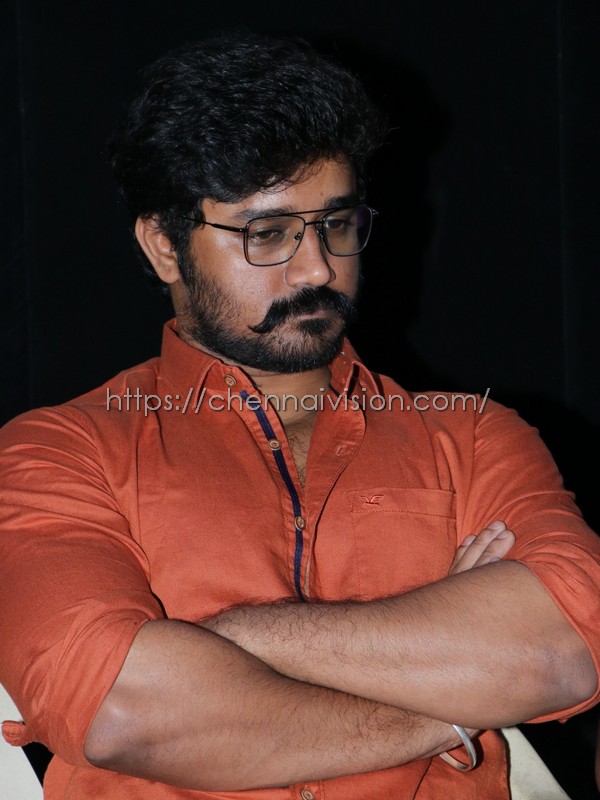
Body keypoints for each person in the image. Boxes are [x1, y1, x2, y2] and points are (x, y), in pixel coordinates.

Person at [1, 31, 599, 800]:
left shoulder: (472, 435)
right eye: (269, 234)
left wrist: (235, 639)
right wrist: (456, 703)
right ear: (163, 247)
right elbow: (127, 714)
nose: (317, 267)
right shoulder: (58, 452)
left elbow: (565, 655)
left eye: (337, 225)